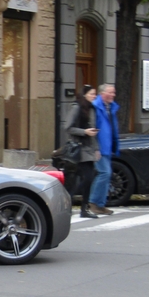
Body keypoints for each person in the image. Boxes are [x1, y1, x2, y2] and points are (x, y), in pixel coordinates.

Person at [65, 85, 100, 218]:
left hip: (89, 148)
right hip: (79, 148)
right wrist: (84, 132)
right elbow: (68, 127)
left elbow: (92, 130)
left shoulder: (91, 108)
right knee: (88, 177)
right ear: (85, 94)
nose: (94, 96)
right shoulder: (77, 107)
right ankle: (70, 200)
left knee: (87, 178)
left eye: (95, 94)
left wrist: (96, 148)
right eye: (92, 94)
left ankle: (82, 207)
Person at [89, 84, 119, 216]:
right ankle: (94, 202)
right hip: (99, 147)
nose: (113, 95)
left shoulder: (109, 107)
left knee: (106, 173)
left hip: (107, 147)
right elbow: (93, 129)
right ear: (102, 93)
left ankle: (100, 204)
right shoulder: (96, 108)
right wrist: (95, 148)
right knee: (105, 173)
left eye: (114, 92)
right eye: (110, 92)